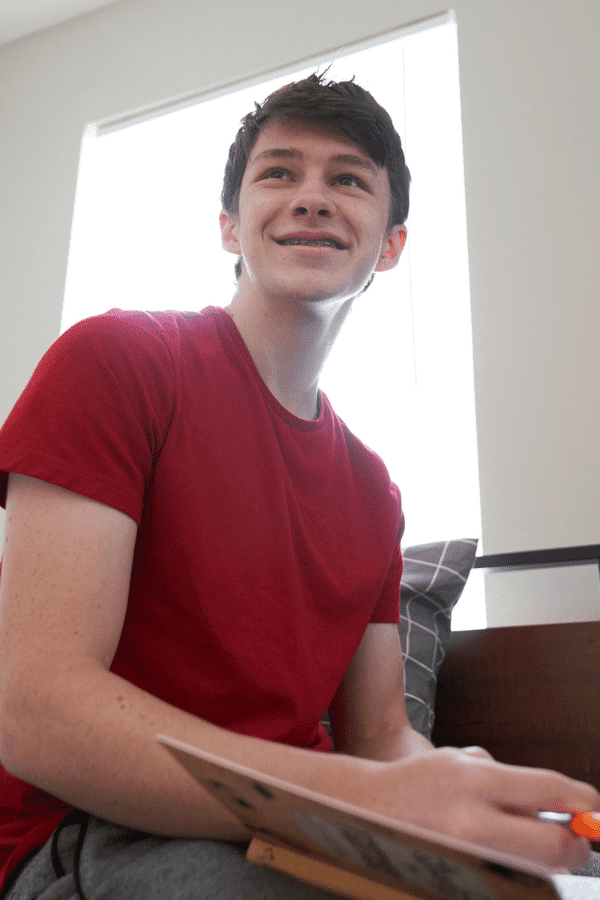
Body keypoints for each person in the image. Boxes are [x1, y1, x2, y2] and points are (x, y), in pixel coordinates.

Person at [0, 72, 597, 900]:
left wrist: (465, 790)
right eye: (278, 173)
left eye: (348, 180)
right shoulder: (115, 362)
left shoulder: (372, 490)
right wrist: (372, 800)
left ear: (390, 245)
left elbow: (382, 738)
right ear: (228, 227)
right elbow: (36, 715)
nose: (311, 197)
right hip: (101, 832)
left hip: (302, 827)